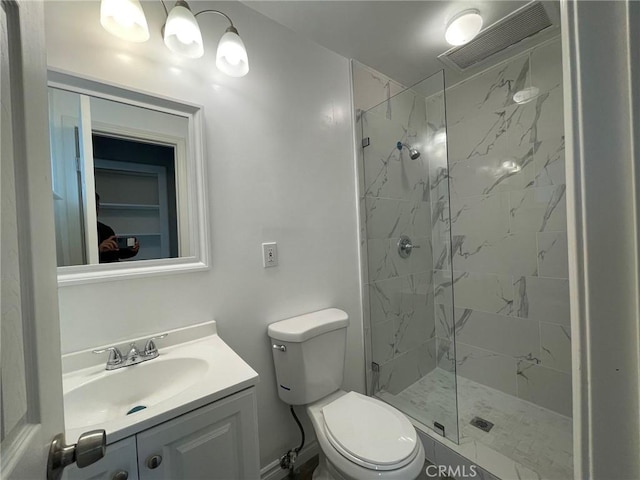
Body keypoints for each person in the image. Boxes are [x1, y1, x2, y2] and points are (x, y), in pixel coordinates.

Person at [96, 193, 140, 263]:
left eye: (97, 206)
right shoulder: (78, 232)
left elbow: (116, 253)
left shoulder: (106, 230)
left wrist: (132, 250)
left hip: (112, 269)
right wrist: (98, 250)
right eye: (94, 206)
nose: (96, 210)